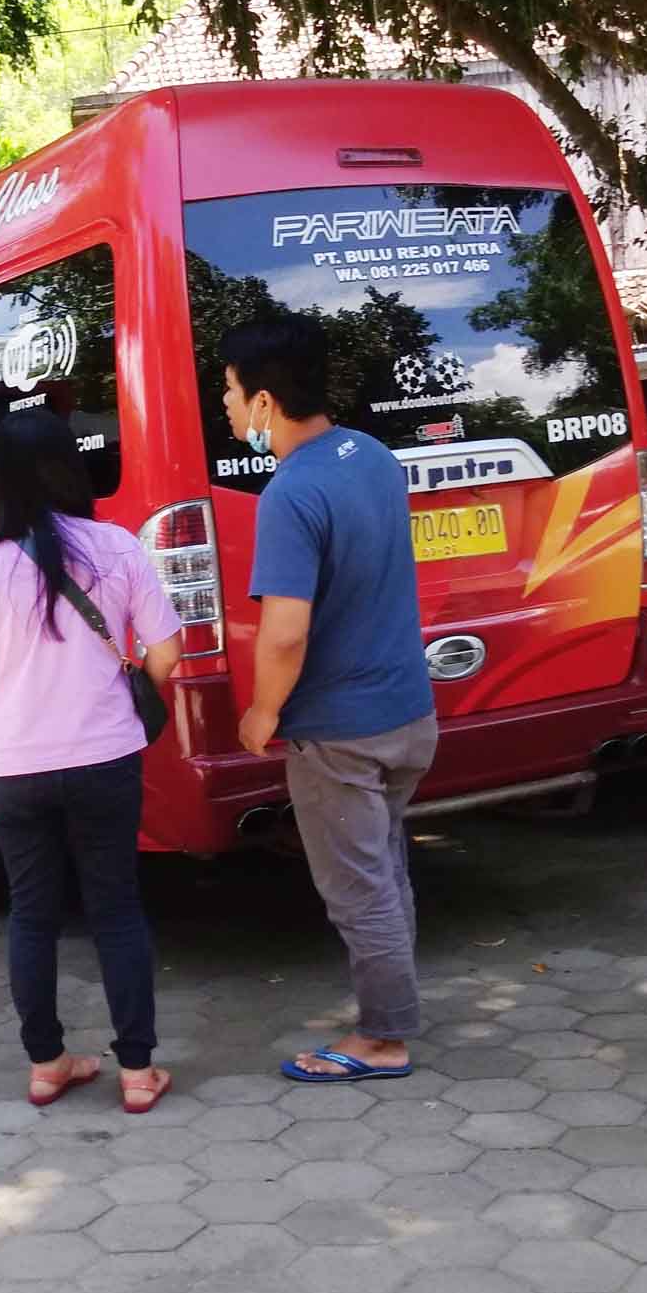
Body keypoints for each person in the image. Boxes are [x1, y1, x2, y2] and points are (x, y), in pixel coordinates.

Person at [0, 409, 182, 1114]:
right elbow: (167, 651)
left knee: (33, 916)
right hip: (106, 757)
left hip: (13, 768)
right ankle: (137, 1071)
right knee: (116, 909)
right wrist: (128, 691)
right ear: (70, 467)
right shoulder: (116, 547)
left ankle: (47, 1064)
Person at [221, 316, 440, 1085]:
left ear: (265, 401)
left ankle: (383, 1039)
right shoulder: (373, 457)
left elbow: (284, 634)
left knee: (357, 887)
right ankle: (395, 1012)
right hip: (409, 714)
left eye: (230, 388)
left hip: (341, 733)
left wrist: (260, 712)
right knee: (382, 867)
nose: (225, 402)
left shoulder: (292, 491)